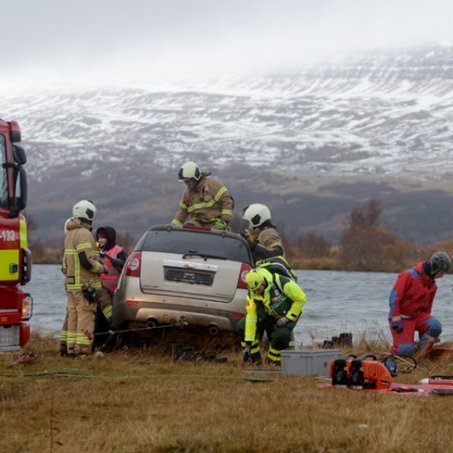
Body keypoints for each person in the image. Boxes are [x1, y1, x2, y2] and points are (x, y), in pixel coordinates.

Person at [237, 267, 307, 366]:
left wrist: (288, 318)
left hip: (288, 313)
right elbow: (251, 318)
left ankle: (273, 362)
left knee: (281, 335)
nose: (256, 292)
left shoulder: (281, 282)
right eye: (254, 290)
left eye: (258, 289)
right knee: (242, 326)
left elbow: (301, 299)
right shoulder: (252, 293)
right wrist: (248, 345)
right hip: (268, 314)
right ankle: (253, 359)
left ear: (263, 283)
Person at [61, 200, 104, 356]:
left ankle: (70, 349)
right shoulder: (84, 234)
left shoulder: (70, 233)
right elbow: (85, 260)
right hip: (83, 283)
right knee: (85, 314)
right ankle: (83, 351)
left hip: (71, 283)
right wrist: (100, 267)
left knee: (73, 315)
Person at [388, 251, 451, 356]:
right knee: (405, 351)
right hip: (401, 319)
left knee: (435, 326)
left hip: (417, 317)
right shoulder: (408, 275)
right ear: (436, 268)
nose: (442, 276)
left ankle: (422, 354)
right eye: (442, 272)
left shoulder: (433, 286)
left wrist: (427, 335)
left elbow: (427, 309)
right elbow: (394, 298)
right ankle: (405, 349)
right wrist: (395, 319)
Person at [171, 161, 233, 230]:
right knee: (188, 227)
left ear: (196, 178)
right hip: (197, 224)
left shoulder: (213, 186)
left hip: (215, 222)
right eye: (185, 181)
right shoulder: (187, 195)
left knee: (214, 232)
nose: (187, 184)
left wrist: (224, 221)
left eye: (189, 181)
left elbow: (227, 201)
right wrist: (173, 227)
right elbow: (183, 212)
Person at [93, 226, 127, 349]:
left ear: (110, 238)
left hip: (115, 292)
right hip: (99, 290)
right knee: (99, 319)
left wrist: (118, 263)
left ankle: (112, 344)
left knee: (111, 319)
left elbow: (125, 267)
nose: (100, 240)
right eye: (99, 237)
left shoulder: (119, 251)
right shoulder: (95, 250)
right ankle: (98, 343)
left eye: (103, 237)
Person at [242, 203, 296, 280]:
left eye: (249, 221)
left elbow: (277, 253)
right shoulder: (259, 233)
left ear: (256, 220)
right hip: (263, 276)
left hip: (271, 278)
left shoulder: (269, 233)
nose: (249, 225)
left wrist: (255, 247)